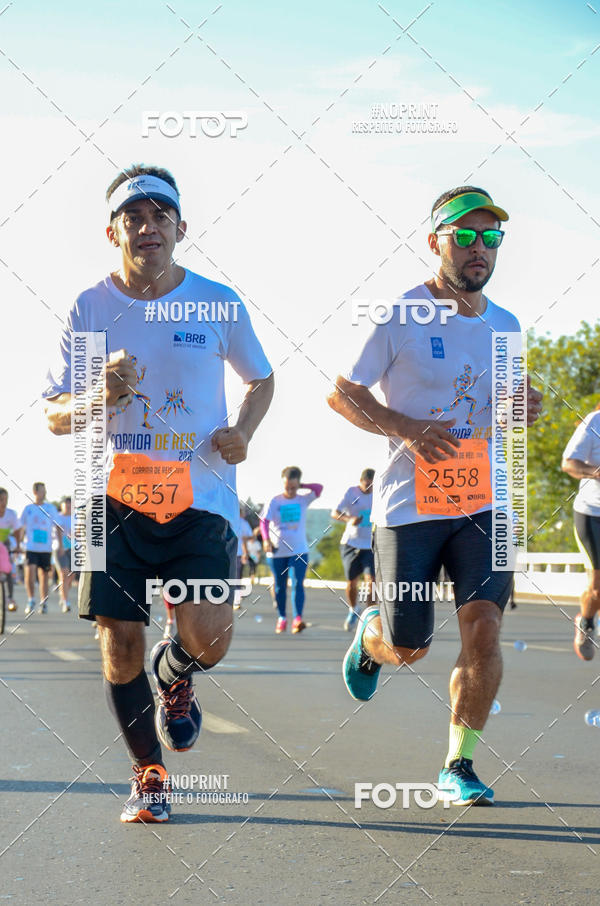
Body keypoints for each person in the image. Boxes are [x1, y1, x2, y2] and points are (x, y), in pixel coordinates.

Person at [44, 164, 273, 822]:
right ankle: (148, 775)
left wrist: (243, 431)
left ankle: (174, 672)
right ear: (112, 232)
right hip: (110, 498)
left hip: (201, 495)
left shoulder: (217, 302)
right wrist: (100, 393)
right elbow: (56, 415)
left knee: (210, 639)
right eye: (134, 218)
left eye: (159, 216)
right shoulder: (90, 308)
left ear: (180, 227)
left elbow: (261, 380)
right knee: (118, 641)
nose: (148, 227)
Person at [328, 186, 542, 806]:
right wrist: (407, 427)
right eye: (465, 236)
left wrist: (522, 407)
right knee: (409, 647)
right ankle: (373, 636)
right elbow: (342, 393)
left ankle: (459, 764)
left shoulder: (506, 325)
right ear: (435, 242)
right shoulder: (400, 314)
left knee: (485, 628)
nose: (479, 248)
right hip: (410, 506)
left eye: (490, 237)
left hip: (485, 501)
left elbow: (505, 406)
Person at [260, 467, 323, 634]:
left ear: (298, 485)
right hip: (277, 551)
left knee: (297, 584)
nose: (290, 490)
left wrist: (302, 485)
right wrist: (266, 540)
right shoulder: (275, 501)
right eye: (287, 486)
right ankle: (282, 617)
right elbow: (264, 522)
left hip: (299, 550)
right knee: (280, 586)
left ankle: (297, 619)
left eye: (293, 487)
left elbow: (319, 488)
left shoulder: (303, 500)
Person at [561, 404, 600, 660]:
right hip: (592, 513)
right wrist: (595, 472)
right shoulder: (594, 422)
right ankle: (586, 621)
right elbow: (569, 463)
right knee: (598, 588)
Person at [331, 469, 376, 630]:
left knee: (372, 581)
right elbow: (335, 512)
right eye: (366, 485)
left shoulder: (378, 493)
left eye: (372, 485)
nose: (369, 488)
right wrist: (349, 519)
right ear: (361, 482)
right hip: (351, 543)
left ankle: (370, 617)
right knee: (352, 582)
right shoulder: (351, 493)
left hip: (371, 545)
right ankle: (353, 609)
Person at [20, 482, 58, 615]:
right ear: (35, 492)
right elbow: (21, 527)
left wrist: (59, 544)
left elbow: (57, 526)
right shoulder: (28, 509)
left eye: (45, 490)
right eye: (42, 490)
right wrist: (19, 544)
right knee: (29, 572)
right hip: (31, 547)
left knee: (44, 576)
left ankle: (44, 602)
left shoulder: (51, 508)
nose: (44, 493)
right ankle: (31, 599)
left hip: (46, 548)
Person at [0, 487, 22, 612]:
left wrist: (18, 546)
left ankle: (10, 598)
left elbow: (17, 530)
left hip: (5, 543)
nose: (4, 503)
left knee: (8, 568)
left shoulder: (11, 514)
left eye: (5, 499)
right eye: (1, 500)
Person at [54, 497, 74, 613]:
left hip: (73, 549)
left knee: (71, 576)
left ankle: (62, 594)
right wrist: (61, 546)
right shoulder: (58, 517)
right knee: (63, 574)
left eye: (70, 504)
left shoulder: (76, 517)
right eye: (66, 504)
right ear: (62, 506)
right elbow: (58, 531)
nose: (68, 506)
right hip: (60, 549)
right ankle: (66, 602)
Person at [233, 506, 253, 610]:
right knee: (237, 578)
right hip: (239, 553)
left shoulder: (227, 519)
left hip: (227, 553)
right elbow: (248, 537)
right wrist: (246, 552)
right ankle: (236, 601)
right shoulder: (244, 523)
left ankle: (230, 600)